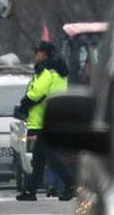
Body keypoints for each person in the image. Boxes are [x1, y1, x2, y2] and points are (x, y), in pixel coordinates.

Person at [16, 40, 75, 201]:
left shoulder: (47, 71)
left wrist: (24, 104)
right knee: (39, 157)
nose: (35, 54)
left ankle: (71, 185)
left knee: (50, 154)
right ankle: (30, 191)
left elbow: (37, 93)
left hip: (44, 119)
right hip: (53, 116)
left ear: (44, 53)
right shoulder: (57, 70)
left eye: (37, 51)